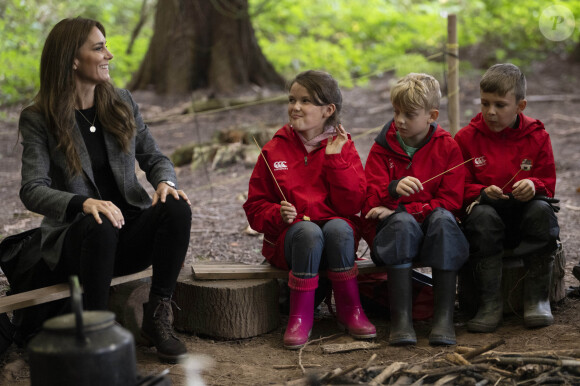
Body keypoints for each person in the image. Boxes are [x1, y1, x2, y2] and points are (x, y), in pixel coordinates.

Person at [14, 17, 192, 363]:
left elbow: (155, 157)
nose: (109, 55)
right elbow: (32, 190)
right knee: (100, 221)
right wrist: (83, 203)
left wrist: (165, 182)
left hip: (128, 235)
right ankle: (96, 332)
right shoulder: (39, 117)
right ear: (72, 59)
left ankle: (158, 318)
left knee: (177, 206)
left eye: (106, 46)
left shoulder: (121, 101)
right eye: (99, 48)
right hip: (78, 244)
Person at [243, 70, 376, 349]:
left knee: (339, 227)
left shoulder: (343, 146)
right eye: (292, 99)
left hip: (335, 244)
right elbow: (255, 208)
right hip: (290, 241)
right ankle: (300, 318)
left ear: (328, 110)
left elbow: (352, 205)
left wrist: (335, 161)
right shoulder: (274, 149)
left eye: (306, 101)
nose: (296, 107)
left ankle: (351, 310)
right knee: (307, 231)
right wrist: (276, 214)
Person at [362, 73, 468, 346]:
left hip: (435, 231)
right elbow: (369, 202)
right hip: (394, 239)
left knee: (444, 220)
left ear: (432, 115)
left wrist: (407, 209)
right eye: (396, 112)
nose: (399, 120)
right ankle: (402, 320)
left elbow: (451, 201)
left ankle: (443, 320)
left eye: (409, 114)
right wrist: (392, 190)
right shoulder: (381, 149)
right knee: (401, 224)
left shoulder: (448, 147)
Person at [455, 63, 559, 332]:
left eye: (500, 105)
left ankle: (536, 299)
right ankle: (490, 304)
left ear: (520, 106)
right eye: (485, 103)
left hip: (524, 221)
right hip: (485, 227)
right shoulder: (466, 138)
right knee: (482, 215)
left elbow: (548, 184)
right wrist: (479, 192)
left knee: (541, 211)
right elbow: (457, 186)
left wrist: (532, 185)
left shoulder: (537, 136)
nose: (490, 112)